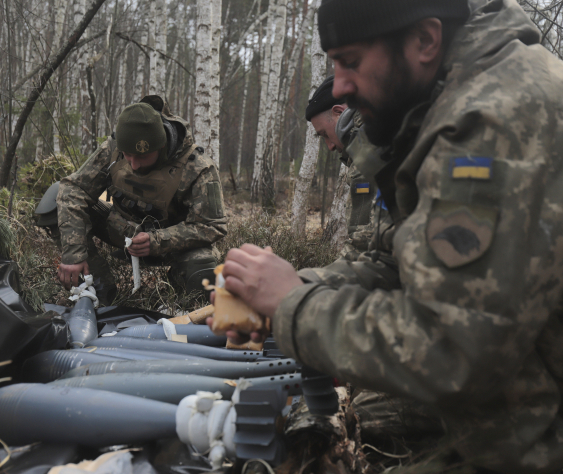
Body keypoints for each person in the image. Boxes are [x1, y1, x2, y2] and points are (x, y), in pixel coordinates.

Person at [214, 0, 563, 471]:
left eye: (351, 62)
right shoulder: (444, 100)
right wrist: (293, 285)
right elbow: (405, 264)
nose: (339, 87)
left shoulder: (488, 122)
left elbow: (454, 349)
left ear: (425, 40)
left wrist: (295, 306)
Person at [56, 95, 227, 304]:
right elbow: (74, 189)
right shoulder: (113, 147)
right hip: (117, 225)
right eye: (127, 155)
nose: (134, 165)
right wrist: (74, 254)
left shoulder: (197, 168)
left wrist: (157, 241)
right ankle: (97, 287)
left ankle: (180, 297)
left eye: (143, 157)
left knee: (204, 272)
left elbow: (211, 226)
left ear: (161, 146)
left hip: (169, 244)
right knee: (54, 204)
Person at [307, 75, 380, 260]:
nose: (330, 146)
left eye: (324, 134)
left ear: (339, 112)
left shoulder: (370, 152)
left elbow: (364, 252)